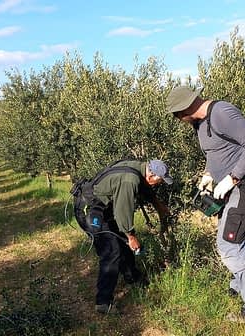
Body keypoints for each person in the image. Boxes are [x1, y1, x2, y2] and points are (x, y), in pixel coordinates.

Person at [166, 85, 245, 319]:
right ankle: (239, 286)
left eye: (176, 114)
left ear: (185, 108)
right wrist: (209, 174)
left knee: (228, 246)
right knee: (238, 243)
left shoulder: (222, 113)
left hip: (241, 187)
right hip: (229, 191)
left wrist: (232, 178)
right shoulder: (199, 124)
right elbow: (216, 153)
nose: (177, 119)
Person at [72, 159, 173, 314]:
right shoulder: (129, 180)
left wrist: (158, 204)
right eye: (159, 181)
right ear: (151, 174)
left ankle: (132, 277)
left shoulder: (139, 168)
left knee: (123, 244)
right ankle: (103, 303)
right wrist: (131, 236)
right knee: (111, 253)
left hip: (103, 209)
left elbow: (145, 187)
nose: (158, 184)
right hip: (91, 211)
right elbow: (122, 213)